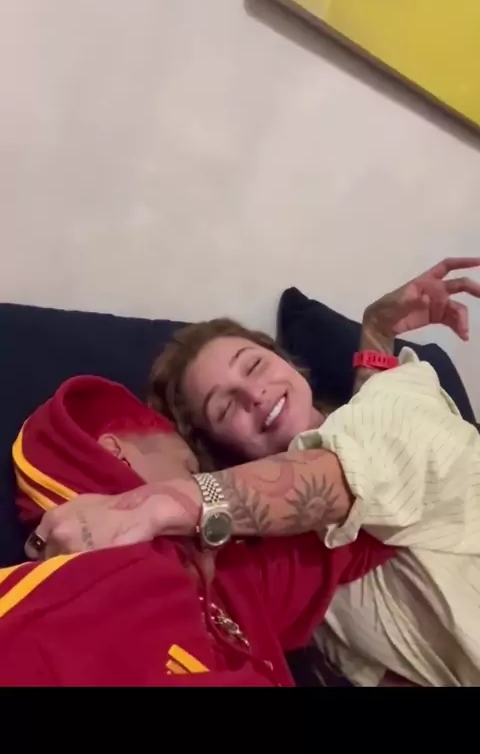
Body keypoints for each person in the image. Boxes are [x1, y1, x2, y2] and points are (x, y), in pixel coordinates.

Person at [32, 257, 480, 687]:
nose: (255, 394)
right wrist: (375, 334)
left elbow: (338, 473)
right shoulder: (298, 567)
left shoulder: (401, 397)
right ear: (224, 450)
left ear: (284, 360)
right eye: (225, 407)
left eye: (254, 365)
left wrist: (146, 508)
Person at [1, 374, 394, 686]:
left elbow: (373, 497)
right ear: (115, 451)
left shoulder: (232, 574)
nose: (206, 480)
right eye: (191, 468)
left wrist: (374, 353)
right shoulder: (48, 603)